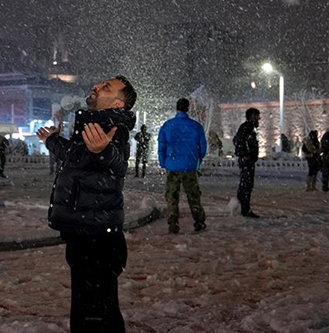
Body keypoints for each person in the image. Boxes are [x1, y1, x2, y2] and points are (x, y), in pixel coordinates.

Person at [36, 75, 137, 332]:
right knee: (93, 311)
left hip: (96, 237)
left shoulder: (115, 127)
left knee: (94, 317)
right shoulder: (94, 124)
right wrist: (53, 141)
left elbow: (115, 159)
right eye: (100, 83)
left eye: (106, 87)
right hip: (88, 231)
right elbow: (79, 157)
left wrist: (103, 151)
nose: (97, 86)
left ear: (117, 103)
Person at [158, 98, 208, 234]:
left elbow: (161, 147)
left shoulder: (167, 126)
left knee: (172, 195)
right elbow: (203, 148)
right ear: (188, 109)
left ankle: (173, 223)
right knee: (193, 195)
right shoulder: (196, 126)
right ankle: (199, 221)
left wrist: (163, 162)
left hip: (172, 166)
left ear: (176, 108)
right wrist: (197, 160)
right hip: (190, 166)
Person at [233, 108, 261, 217]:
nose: (259, 118)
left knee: (245, 183)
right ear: (252, 116)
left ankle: (239, 205)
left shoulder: (248, 127)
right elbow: (238, 140)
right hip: (246, 161)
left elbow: (238, 140)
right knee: (247, 184)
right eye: (257, 116)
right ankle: (244, 209)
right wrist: (244, 154)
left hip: (247, 160)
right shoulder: (247, 127)